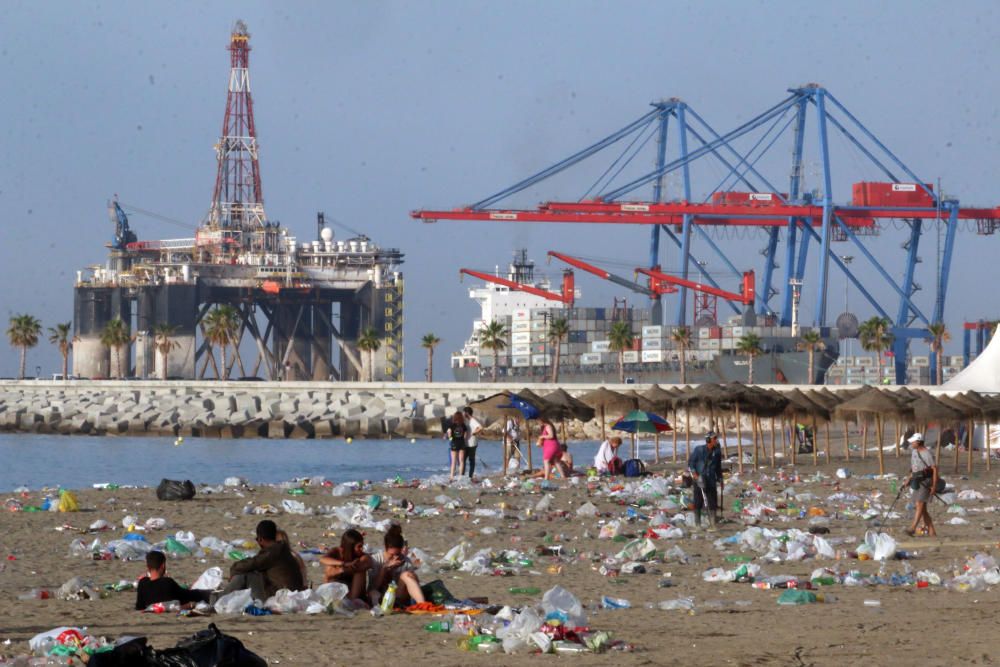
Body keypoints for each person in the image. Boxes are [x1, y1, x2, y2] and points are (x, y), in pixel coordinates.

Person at [221, 520, 305, 602]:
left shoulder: (272, 552)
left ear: (261, 539)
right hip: (293, 593)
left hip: (280, 597)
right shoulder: (284, 550)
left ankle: (218, 599)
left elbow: (252, 563)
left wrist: (233, 570)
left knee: (246, 576)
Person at [368, 524, 426, 609]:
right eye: (392, 555)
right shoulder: (376, 560)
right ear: (385, 548)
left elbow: (413, 584)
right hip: (380, 597)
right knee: (373, 593)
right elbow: (374, 587)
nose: (396, 558)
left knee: (407, 575)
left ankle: (423, 605)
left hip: (399, 597)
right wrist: (384, 569)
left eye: (398, 554)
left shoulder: (405, 561)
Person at [134, 550, 211, 610]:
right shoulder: (167, 582)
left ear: (148, 567)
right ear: (163, 565)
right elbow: (184, 596)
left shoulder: (142, 583)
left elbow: (139, 607)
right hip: (196, 596)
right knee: (207, 594)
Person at [320, 528, 372, 604]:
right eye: (359, 546)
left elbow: (367, 562)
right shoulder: (337, 551)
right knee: (329, 568)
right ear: (350, 546)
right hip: (339, 588)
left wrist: (344, 569)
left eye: (362, 546)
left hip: (354, 592)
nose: (362, 549)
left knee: (360, 571)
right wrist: (343, 565)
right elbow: (323, 559)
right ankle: (326, 597)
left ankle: (351, 601)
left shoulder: (361, 556)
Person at [687, 431, 724, 530]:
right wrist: (695, 475)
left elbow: (718, 467)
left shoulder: (717, 452)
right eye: (714, 438)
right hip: (699, 479)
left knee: (712, 502)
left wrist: (720, 478)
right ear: (708, 440)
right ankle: (698, 525)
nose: (716, 440)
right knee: (698, 502)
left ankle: (712, 524)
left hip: (711, 479)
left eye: (716, 438)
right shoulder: (699, 450)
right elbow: (690, 463)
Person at [905, 433, 938, 537]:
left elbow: (935, 469)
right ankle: (932, 531)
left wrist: (934, 485)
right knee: (922, 508)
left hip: (926, 480)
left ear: (918, 442)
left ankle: (913, 528)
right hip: (916, 480)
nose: (911, 443)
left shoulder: (927, 454)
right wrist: (908, 478)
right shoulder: (914, 451)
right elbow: (914, 467)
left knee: (920, 504)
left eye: (913, 441)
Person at [462, 406, 483, 480]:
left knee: (470, 460)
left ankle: (469, 476)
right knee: (463, 460)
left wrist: (474, 433)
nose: (463, 414)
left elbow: (480, 427)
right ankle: (463, 475)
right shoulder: (467, 420)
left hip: (472, 444)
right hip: (467, 443)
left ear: (467, 413)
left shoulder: (473, 420)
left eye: (464, 412)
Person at [446, 411, 467, 480]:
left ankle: (452, 476)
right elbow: (465, 436)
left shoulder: (452, 425)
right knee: (461, 461)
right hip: (462, 443)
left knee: (453, 461)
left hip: (454, 443)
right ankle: (460, 476)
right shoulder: (463, 425)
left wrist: (451, 438)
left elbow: (449, 434)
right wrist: (462, 439)